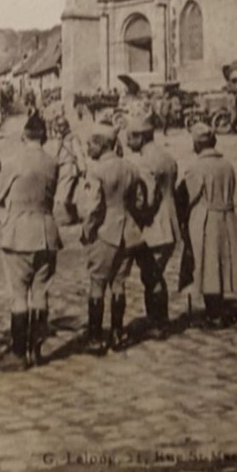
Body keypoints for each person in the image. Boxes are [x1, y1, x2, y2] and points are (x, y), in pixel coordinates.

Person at [0, 113, 62, 371]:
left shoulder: (13, 162)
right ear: (44, 136)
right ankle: (37, 350)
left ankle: (18, 353)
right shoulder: (53, 163)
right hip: (46, 230)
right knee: (41, 293)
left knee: (19, 295)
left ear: (24, 136)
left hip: (18, 232)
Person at [79, 121, 146, 352]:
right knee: (119, 284)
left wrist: (87, 231)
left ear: (100, 144)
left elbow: (93, 207)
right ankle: (118, 333)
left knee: (97, 283)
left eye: (90, 144)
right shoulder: (130, 167)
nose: (88, 148)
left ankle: (95, 338)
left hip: (105, 232)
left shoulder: (96, 171)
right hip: (128, 232)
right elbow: (139, 201)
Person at [178, 123, 237, 329]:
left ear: (197, 144)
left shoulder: (197, 168)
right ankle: (218, 308)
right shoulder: (227, 164)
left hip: (205, 218)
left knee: (208, 265)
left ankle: (214, 314)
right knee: (222, 263)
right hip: (227, 217)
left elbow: (185, 197)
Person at [126, 115, 180, 338]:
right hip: (169, 222)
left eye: (130, 137)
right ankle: (158, 320)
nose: (127, 142)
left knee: (151, 276)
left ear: (140, 137)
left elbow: (145, 200)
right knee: (155, 274)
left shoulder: (143, 163)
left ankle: (158, 322)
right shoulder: (167, 157)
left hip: (153, 226)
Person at [50, 115, 85, 226]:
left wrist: (83, 167)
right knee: (70, 194)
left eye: (60, 126)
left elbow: (79, 153)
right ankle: (73, 217)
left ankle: (71, 217)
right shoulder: (61, 139)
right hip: (63, 167)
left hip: (70, 167)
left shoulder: (72, 138)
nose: (59, 129)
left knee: (65, 194)